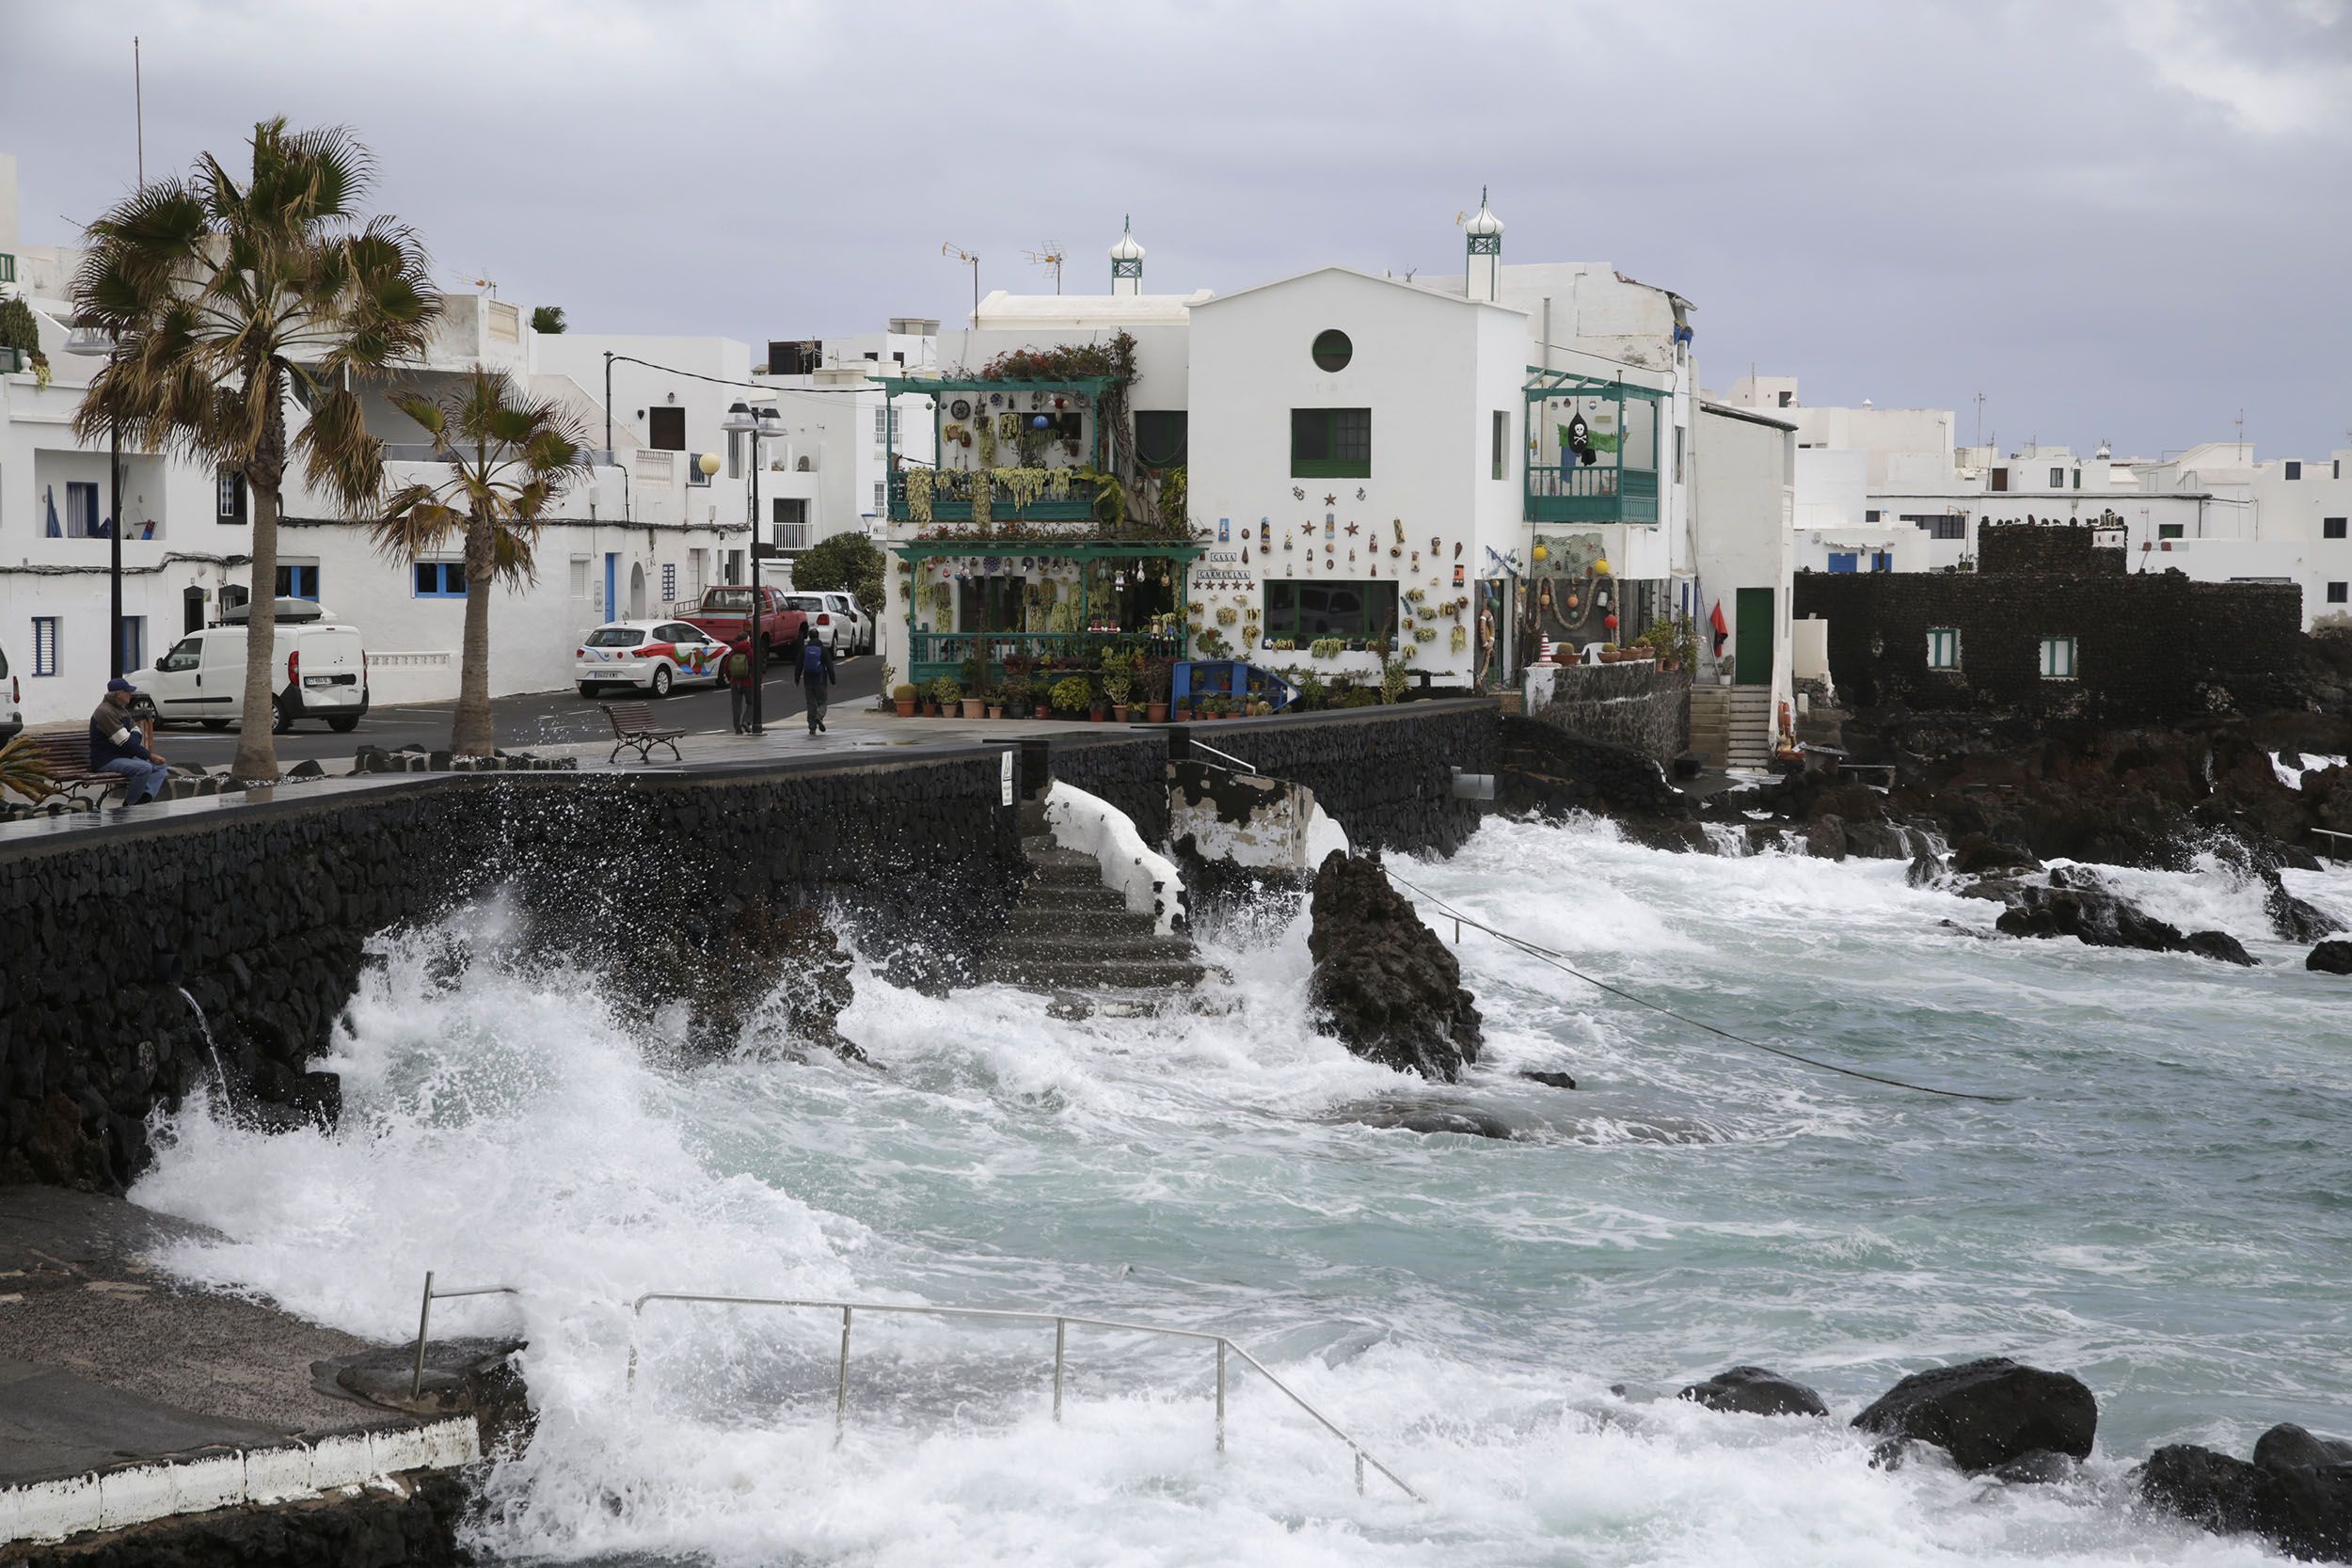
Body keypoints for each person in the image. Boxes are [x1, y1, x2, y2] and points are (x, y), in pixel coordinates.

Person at [90, 677, 169, 805]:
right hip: (106, 760)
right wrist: (149, 755)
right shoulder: (105, 712)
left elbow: (136, 732)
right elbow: (125, 742)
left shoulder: (121, 709)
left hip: (123, 756)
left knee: (160, 766)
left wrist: (129, 740)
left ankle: (145, 797)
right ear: (118, 694)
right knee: (144, 768)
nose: (130, 694)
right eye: (127, 692)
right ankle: (131, 803)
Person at [793, 633, 836, 736]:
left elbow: (798, 665)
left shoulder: (804, 649)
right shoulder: (823, 650)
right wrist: (833, 680)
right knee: (823, 702)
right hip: (820, 681)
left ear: (809, 637)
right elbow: (830, 666)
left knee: (811, 705)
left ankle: (812, 728)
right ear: (818, 636)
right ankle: (819, 716)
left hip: (808, 681)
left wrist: (797, 679)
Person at [723, 636, 756, 734]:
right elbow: (756, 667)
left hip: (735, 683)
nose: (750, 640)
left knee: (736, 706)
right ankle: (746, 721)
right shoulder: (750, 651)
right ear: (745, 640)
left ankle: (737, 728)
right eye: (749, 639)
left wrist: (730, 679)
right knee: (751, 703)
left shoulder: (733, 651)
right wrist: (759, 682)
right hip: (748, 682)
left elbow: (726, 666)